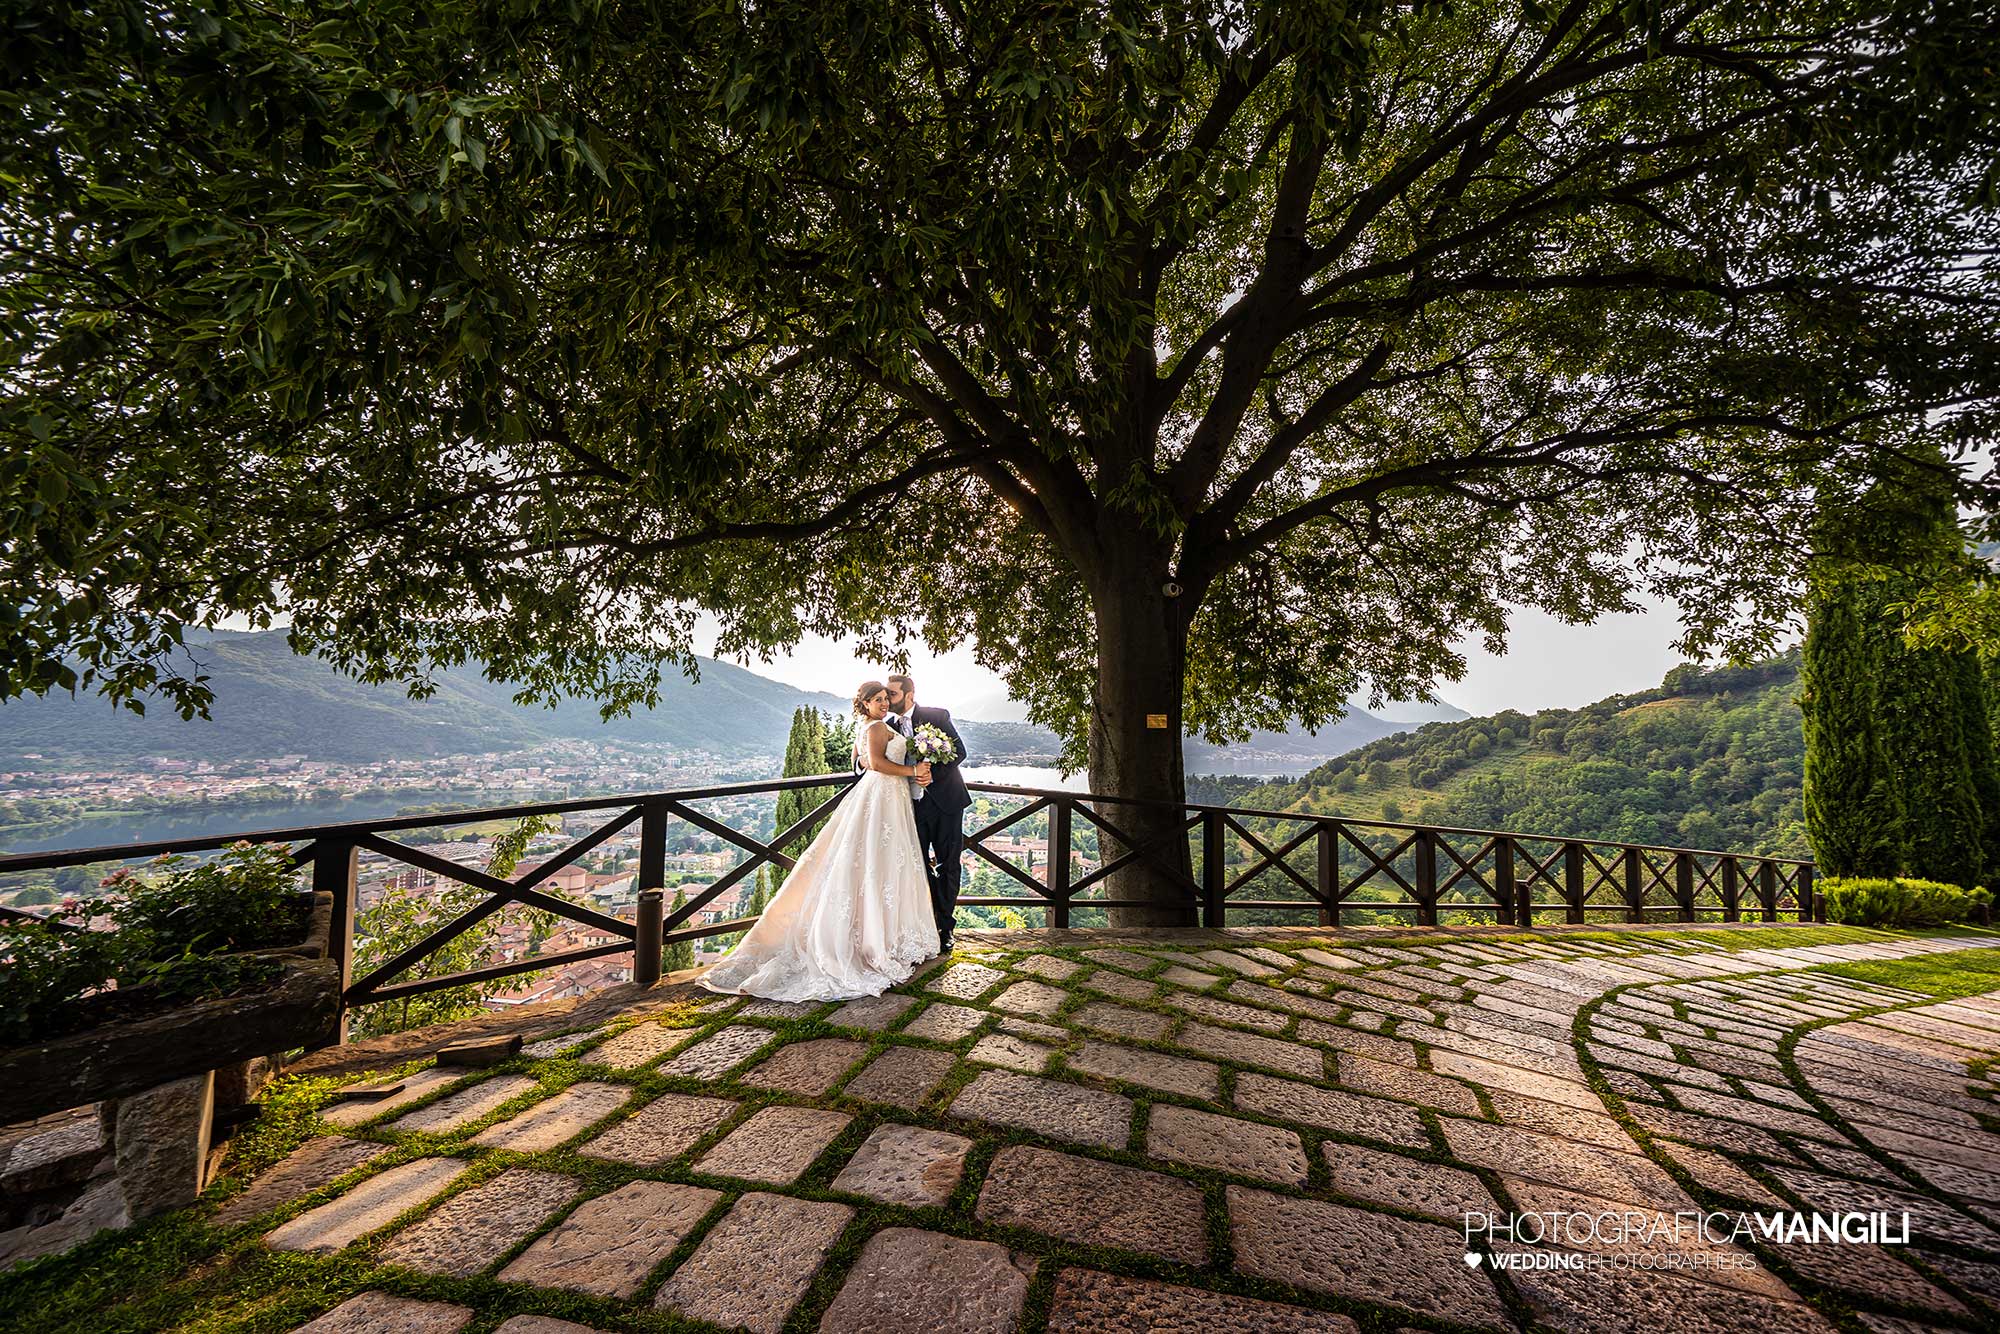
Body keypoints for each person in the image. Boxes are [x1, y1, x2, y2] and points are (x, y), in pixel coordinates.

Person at [699, 681, 939, 1000]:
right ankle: (876, 941)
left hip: (881, 795)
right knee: (878, 864)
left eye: (885, 698)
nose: (883, 703)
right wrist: (913, 770)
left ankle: (877, 934)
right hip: (883, 796)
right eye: (877, 699)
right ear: (865, 703)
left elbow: (862, 763)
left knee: (871, 864)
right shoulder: (878, 726)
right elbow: (878, 764)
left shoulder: (866, 726)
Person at [885, 673, 970, 952]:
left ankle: (945, 927)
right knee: (917, 867)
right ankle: (925, 922)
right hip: (910, 807)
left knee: (949, 865)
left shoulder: (937, 716)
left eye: (893, 694)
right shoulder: (886, 726)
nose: (888, 699)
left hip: (946, 804)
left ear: (909, 694)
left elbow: (959, 752)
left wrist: (933, 775)